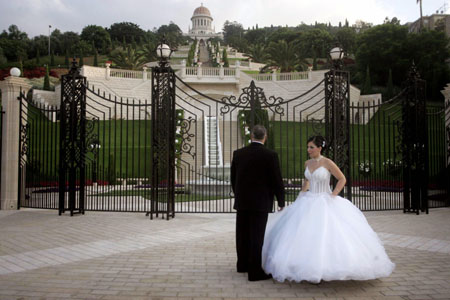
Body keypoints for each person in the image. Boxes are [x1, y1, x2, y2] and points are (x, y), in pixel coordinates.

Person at [262, 135, 395, 283]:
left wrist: (333, 195)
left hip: (324, 199)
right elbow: (307, 180)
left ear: (320, 148)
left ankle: (328, 267)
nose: (308, 150)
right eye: (308, 147)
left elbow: (342, 178)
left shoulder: (327, 162)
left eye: (311, 147)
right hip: (308, 200)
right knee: (302, 233)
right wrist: (301, 194)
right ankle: (303, 265)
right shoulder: (308, 162)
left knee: (326, 234)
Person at [231, 124, 285, 281]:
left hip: (242, 200)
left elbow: (234, 179)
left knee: (242, 234)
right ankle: (254, 272)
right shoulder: (270, 155)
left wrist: (238, 194)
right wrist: (281, 200)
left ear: (251, 136)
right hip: (260, 201)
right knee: (256, 236)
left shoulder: (238, 153)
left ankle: (242, 265)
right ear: (265, 137)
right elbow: (276, 179)